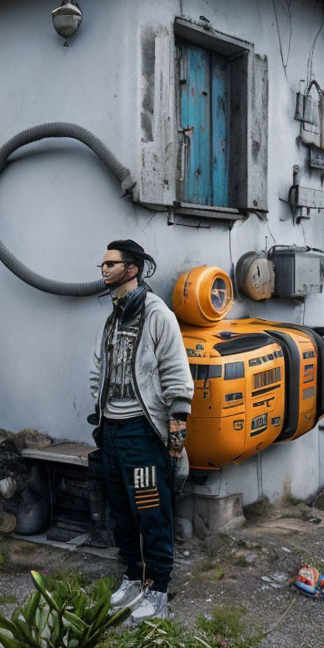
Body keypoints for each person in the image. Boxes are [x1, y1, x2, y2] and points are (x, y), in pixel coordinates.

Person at [90, 240, 193, 621]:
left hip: (143, 432)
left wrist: (176, 439)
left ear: (131, 269)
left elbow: (176, 376)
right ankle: (134, 576)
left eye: (110, 264)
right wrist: (98, 414)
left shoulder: (157, 315)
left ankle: (160, 590)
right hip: (113, 432)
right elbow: (98, 368)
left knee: (151, 510)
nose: (103, 269)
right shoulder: (114, 316)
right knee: (120, 510)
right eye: (102, 263)